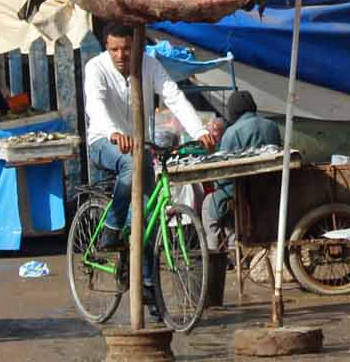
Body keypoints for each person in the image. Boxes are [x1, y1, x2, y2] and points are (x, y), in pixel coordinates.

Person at [80, 28, 217, 252]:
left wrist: (199, 131)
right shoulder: (96, 67)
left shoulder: (149, 64)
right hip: (104, 141)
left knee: (148, 216)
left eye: (126, 49)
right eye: (114, 49)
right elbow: (96, 105)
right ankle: (112, 227)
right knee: (130, 161)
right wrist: (113, 132)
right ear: (106, 47)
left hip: (139, 145)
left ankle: (147, 283)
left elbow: (174, 97)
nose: (120, 56)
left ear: (137, 46)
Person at [204, 90, 283, 232]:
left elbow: (223, 174)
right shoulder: (272, 126)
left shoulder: (232, 132)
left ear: (233, 110)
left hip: (244, 194)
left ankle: (216, 250)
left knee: (208, 205)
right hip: (272, 190)